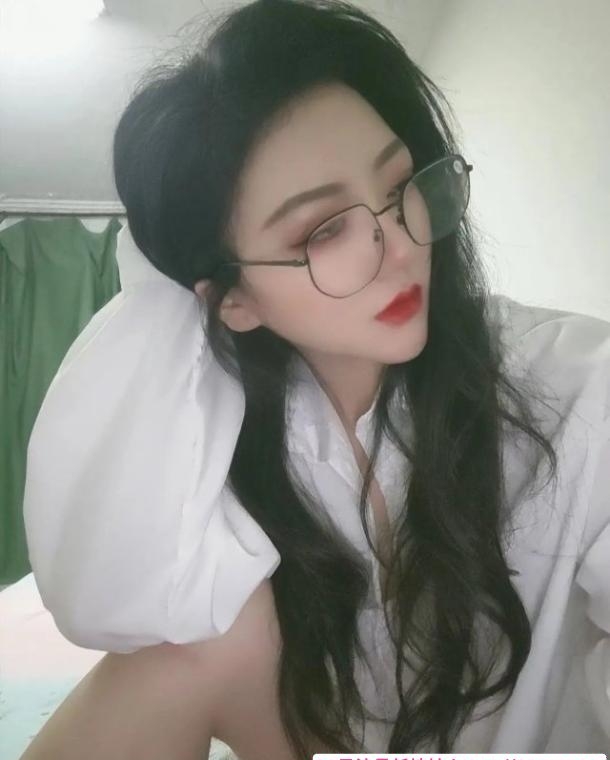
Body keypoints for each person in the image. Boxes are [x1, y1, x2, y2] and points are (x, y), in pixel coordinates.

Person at [19, 0, 610, 757]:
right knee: (175, 655)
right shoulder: (214, 431)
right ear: (231, 299)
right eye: (324, 230)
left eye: (402, 186)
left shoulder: (574, 387)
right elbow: (103, 597)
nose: (401, 246)